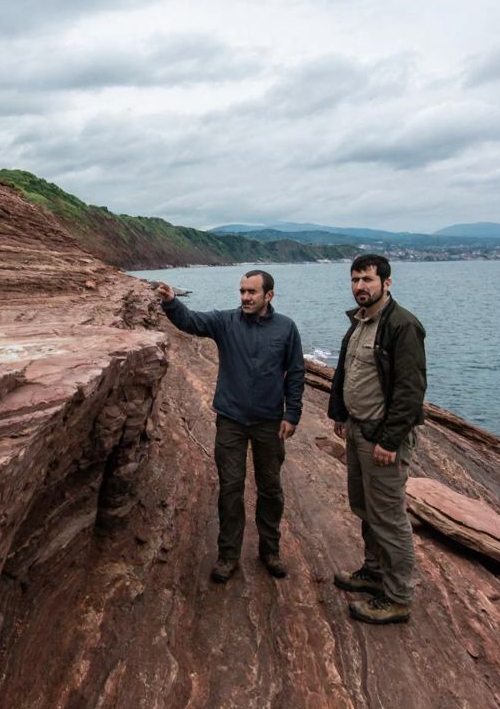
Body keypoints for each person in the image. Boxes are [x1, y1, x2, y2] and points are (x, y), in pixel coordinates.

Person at [155, 270, 305, 583]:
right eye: (242, 292)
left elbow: (295, 373)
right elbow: (191, 322)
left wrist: (292, 414)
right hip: (231, 421)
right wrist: (171, 302)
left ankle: (270, 551)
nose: (246, 297)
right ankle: (228, 555)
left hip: (269, 423)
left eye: (252, 292)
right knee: (231, 488)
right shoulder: (226, 322)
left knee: (271, 489)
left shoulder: (286, 328)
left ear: (269, 295)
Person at [327, 253, 426, 625]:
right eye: (355, 280)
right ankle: (373, 571)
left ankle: (398, 597)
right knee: (364, 507)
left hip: (382, 439)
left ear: (387, 282)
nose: (359, 287)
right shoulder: (360, 323)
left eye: (367, 280)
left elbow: (410, 392)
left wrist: (390, 440)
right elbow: (347, 371)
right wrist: (340, 414)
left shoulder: (402, 326)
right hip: (357, 430)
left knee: (389, 517)